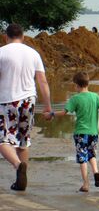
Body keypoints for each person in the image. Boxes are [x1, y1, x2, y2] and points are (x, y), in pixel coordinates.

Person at [0, 23, 53, 191]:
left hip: (6, 101)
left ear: (5, 37)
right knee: (24, 139)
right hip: (28, 100)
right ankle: (22, 179)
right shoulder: (33, 53)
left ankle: (17, 165)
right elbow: (42, 81)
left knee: (3, 139)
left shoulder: (1, 52)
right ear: (23, 37)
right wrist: (48, 106)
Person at [50, 72, 99, 192]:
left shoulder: (75, 99)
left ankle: (86, 184)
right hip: (94, 132)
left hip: (81, 133)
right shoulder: (95, 96)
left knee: (82, 158)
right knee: (91, 154)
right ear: (88, 83)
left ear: (76, 85)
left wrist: (51, 114)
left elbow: (63, 113)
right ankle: (96, 172)